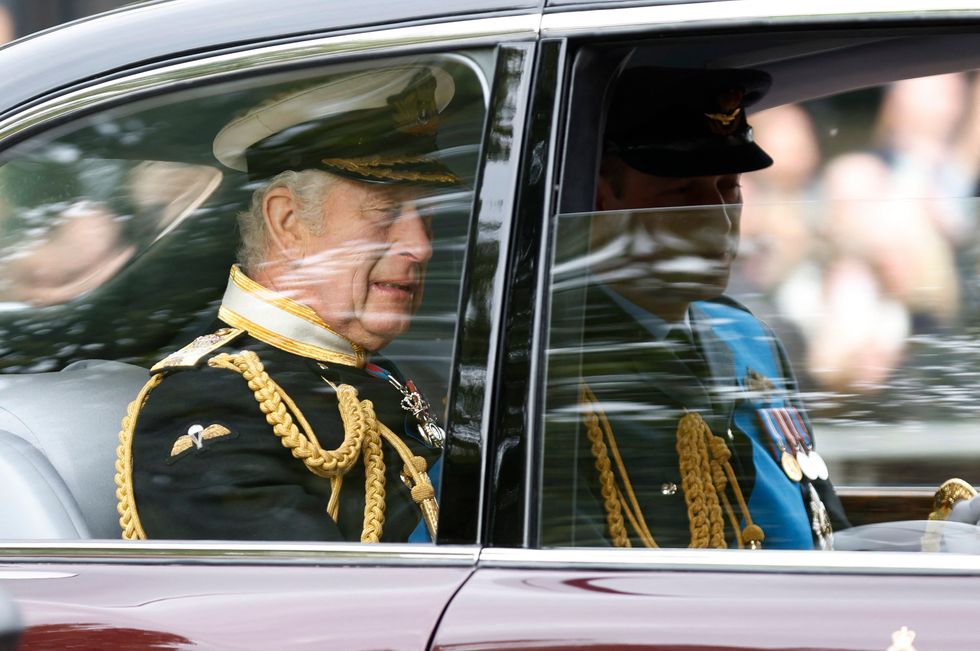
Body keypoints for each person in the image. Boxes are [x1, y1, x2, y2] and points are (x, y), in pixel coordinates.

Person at [114, 66, 459, 542]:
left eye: (428, 217)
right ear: (289, 222)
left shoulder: (364, 371)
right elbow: (312, 611)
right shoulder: (215, 401)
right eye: (386, 212)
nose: (420, 246)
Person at [544, 66, 849, 550]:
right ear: (602, 199)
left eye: (729, 188)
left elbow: (823, 533)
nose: (717, 221)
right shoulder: (558, 363)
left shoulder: (748, 339)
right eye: (682, 195)